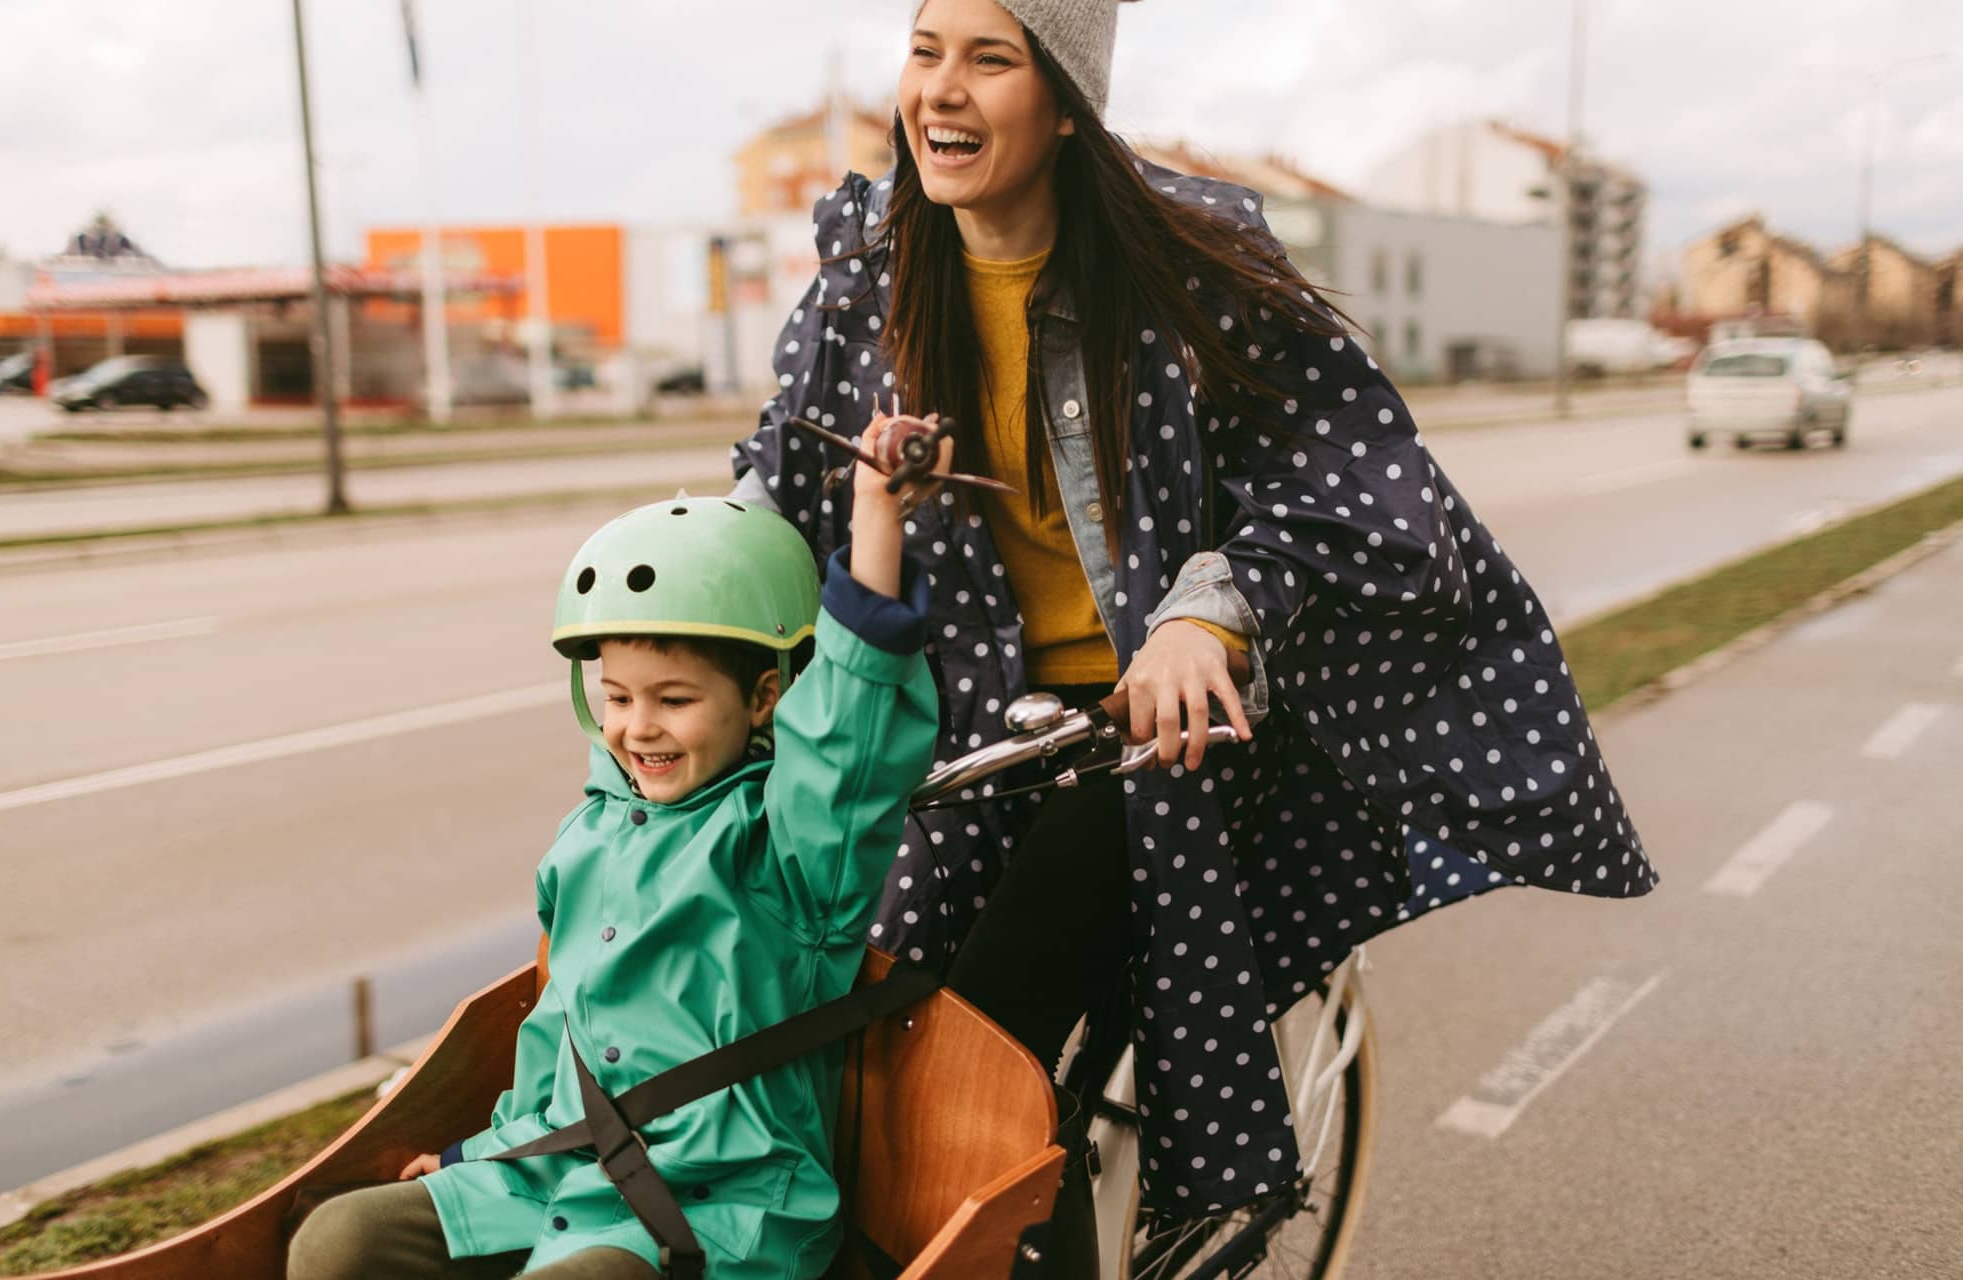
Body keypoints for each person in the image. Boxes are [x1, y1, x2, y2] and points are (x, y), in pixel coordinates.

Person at [732, 0, 1658, 1271]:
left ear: (1064, 100)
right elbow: (779, 483)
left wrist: (1204, 613)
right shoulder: (868, 276)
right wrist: (672, 613)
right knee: (853, 1040)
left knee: (981, 1065)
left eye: (989, 59)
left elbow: (1356, 477)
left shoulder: (1182, 267)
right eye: (924, 51)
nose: (940, 91)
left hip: (1151, 735)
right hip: (954, 734)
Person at [288, 422, 940, 1279]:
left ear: (764, 697)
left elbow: (848, 739)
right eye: (618, 696)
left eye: (674, 699)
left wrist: (875, 512)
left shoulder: (789, 849)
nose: (637, 727)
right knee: (337, 1241)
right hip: (555, 1169)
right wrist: (481, 1154)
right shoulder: (588, 836)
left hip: (724, 1203)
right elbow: (562, 1030)